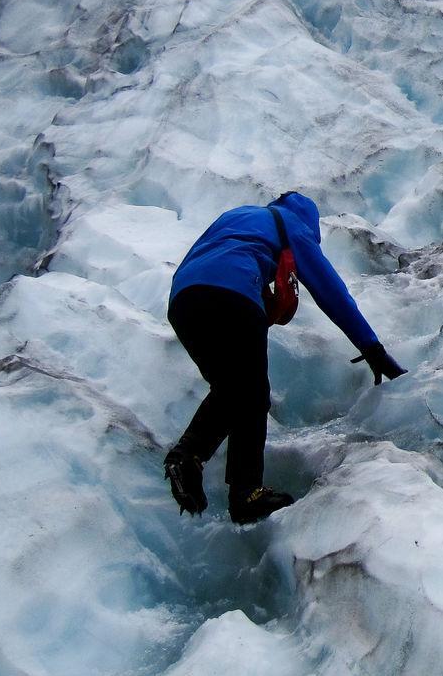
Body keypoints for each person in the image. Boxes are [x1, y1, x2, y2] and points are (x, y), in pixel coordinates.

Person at [163, 191, 406, 524]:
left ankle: (187, 457)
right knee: (252, 395)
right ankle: (246, 493)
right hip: (232, 294)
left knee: (231, 390)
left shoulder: (238, 215)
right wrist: (372, 348)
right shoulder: (291, 223)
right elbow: (329, 290)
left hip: (183, 300)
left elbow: (216, 256)